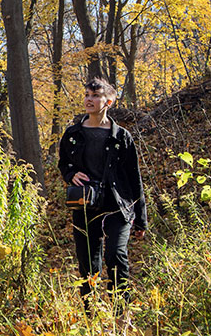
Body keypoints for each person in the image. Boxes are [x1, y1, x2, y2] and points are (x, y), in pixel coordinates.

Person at [58, 77, 147, 310]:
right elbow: (64, 163)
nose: (89, 99)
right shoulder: (72, 134)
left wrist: (141, 220)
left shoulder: (122, 137)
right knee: (88, 263)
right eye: (87, 94)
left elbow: (134, 177)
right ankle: (92, 315)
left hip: (118, 206)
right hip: (84, 204)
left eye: (95, 95)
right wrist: (71, 175)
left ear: (108, 101)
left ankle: (121, 312)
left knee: (116, 256)